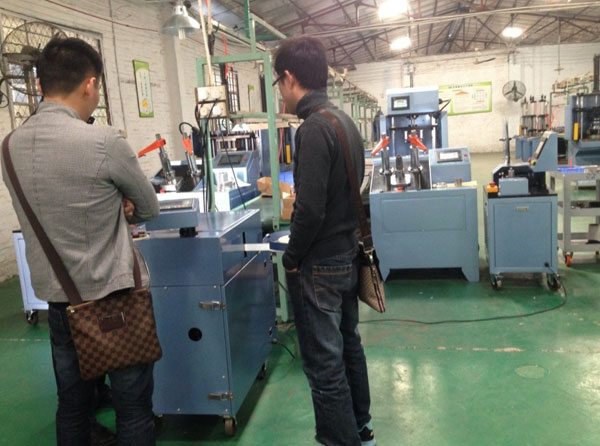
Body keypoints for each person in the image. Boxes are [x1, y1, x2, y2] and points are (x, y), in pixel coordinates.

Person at [1, 37, 160, 445]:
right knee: (133, 410)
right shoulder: (103, 141)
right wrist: (122, 206)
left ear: (40, 85)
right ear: (90, 85)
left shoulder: (9, 147)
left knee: (72, 407)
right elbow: (149, 207)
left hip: (61, 305)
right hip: (116, 302)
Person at [274, 36, 376, 446]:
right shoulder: (343, 121)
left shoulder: (313, 129)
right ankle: (361, 428)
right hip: (347, 253)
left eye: (278, 84)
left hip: (321, 266)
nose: (280, 93)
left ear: (289, 77)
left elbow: (310, 209)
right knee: (349, 346)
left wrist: (291, 257)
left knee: (324, 366)